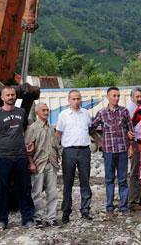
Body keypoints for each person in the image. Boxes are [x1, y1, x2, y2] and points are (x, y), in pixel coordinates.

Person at [0, 86, 35, 230]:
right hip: (3, 157)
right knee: (2, 189)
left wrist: (28, 144)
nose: (11, 97)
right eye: (8, 95)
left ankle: (28, 219)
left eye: (13, 94)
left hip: (20, 156)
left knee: (25, 189)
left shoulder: (21, 112)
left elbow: (25, 130)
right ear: (2, 97)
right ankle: (2, 220)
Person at [91, 87, 131, 214]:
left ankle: (124, 206)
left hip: (122, 150)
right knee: (109, 179)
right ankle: (109, 205)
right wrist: (99, 142)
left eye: (118, 96)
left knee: (123, 179)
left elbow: (130, 130)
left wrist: (131, 146)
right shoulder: (102, 113)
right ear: (107, 97)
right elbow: (91, 129)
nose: (117, 98)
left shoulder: (124, 112)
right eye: (114, 96)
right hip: (108, 151)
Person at [56, 90, 93, 224]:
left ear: (81, 99)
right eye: (73, 99)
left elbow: (90, 130)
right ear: (69, 100)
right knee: (68, 182)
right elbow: (58, 134)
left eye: (78, 98)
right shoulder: (63, 115)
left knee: (85, 181)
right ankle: (66, 211)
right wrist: (56, 150)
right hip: (69, 151)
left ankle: (85, 209)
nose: (76, 101)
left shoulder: (86, 114)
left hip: (84, 150)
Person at [25, 102, 61, 227]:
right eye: (43, 110)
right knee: (37, 193)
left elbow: (56, 145)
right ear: (37, 112)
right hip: (38, 164)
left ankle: (51, 217)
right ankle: (38, 218)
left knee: (52, 192)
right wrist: (31, 163)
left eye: (47, 110)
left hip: (51, 163)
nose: (46, 112)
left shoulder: (51, 128)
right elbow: (27, 147)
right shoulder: (32, 128)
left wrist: (57, 158)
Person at [126, 88, 141, 210]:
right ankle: (133, 201)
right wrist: (131, 145)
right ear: (132, 97)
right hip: (136, 143)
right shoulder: (129, 110)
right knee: (135, 172)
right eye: (137, 96)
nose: (139, 98)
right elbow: (129, 130)